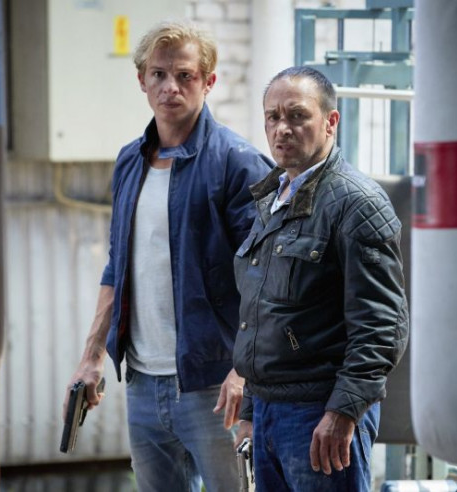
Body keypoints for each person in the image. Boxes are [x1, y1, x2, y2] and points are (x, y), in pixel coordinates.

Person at [63, 21, 272, 492]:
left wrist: (244, 372)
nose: (170, 87)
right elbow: (117, 266)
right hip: (142, 381)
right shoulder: (130, 161)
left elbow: (268, 279)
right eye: (158, 74)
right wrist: (91, 356)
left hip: (214, 384)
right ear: (141, 80)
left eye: (185, 75)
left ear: (209, 81)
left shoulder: (237, 163)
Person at [232, 66, 410, 491]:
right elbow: (263, 314)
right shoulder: (273, 197)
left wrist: (343, 413)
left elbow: (382, 325)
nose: (282, 128)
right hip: (271, 413)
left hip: (318, 417)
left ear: (330, 121)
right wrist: (252, 412)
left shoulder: (357, 203)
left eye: (297, 115)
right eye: (273, 117)